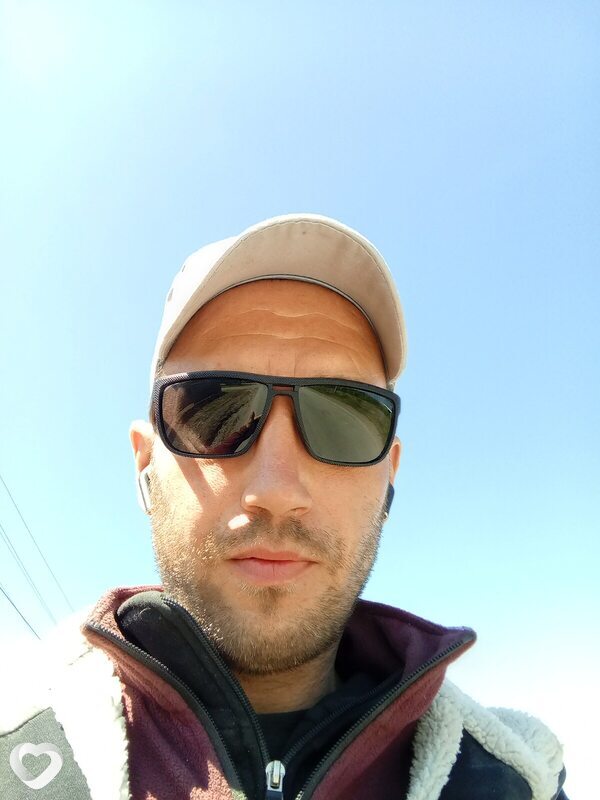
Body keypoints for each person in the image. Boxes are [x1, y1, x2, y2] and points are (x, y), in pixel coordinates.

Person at [0, 214, 568, 799]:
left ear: (388, 478)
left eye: (343, 420)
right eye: (213, 412)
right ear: (146, 464)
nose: (276, 489)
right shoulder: (17, 758)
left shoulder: (514, 779)